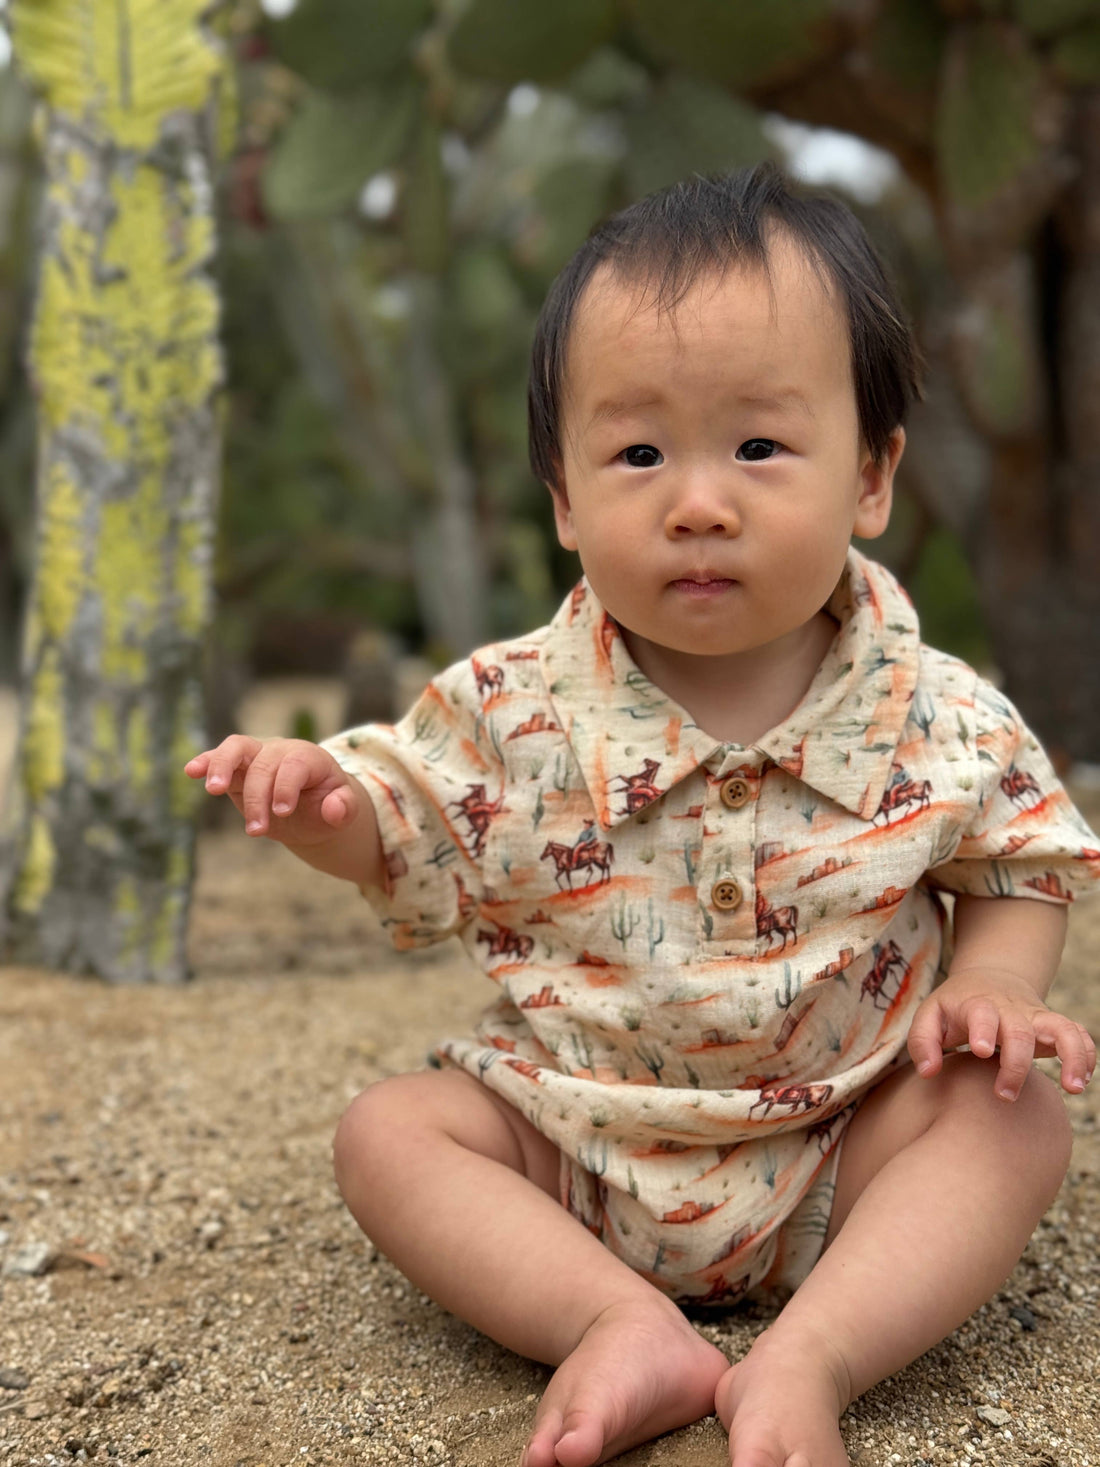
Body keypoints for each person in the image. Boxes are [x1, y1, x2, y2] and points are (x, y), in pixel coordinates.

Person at [185, 164, 1099, 1467]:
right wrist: (324, 804)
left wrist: (998, 989)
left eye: (762, 447)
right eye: (638, 453)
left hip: (852, 1149)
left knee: (1011, 1115)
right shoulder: (510, 707)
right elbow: (406, 824)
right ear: (564, 499)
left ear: (873, 477)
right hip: (576, 1147)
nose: (700, 501)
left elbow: (1018, 862)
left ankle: (817, 1353)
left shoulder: (937, 714)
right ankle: (616, 1324)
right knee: (389, 1133)